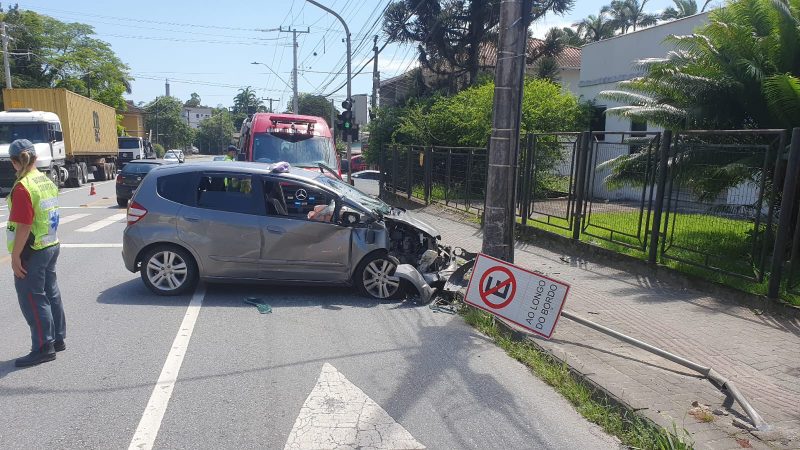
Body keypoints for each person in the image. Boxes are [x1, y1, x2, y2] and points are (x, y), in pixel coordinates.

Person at [5, 139, 65, 368]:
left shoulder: (23, 186)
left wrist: (15, 256)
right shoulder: (45, 180)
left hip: (33, 249)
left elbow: (24, 226)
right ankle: (57, 338)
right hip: (50, 243)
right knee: (51, 293)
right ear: (35, 158)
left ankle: (43, 347)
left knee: (32, 297)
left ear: (13, 162)